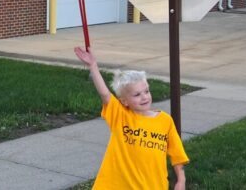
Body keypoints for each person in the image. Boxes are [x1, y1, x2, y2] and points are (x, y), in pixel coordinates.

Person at [73, 47, 189, 190]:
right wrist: (93, 66)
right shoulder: (120, 116)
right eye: (137, 94)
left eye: (146, 91)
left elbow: (178, 155)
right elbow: (105, 94)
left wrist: (181, 180)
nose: (144, 97)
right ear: (124, 101)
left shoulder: (165, 121)